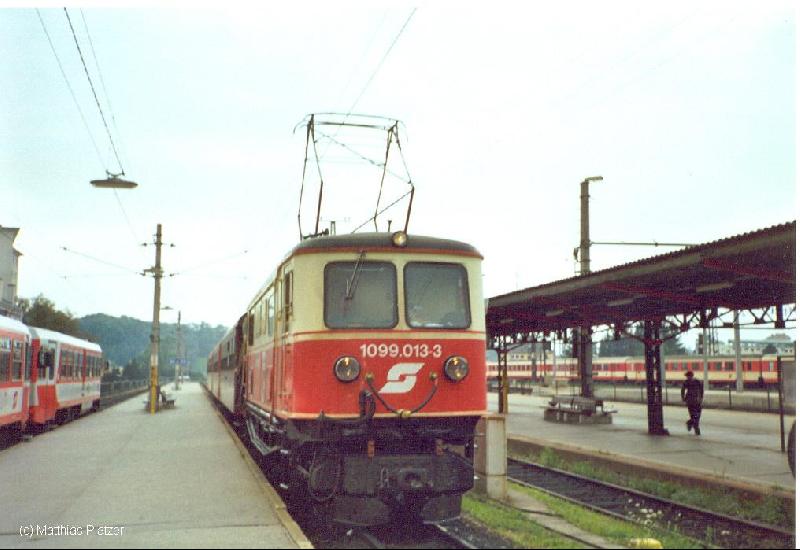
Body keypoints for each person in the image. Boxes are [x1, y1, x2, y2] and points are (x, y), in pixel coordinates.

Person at [681, 370, 704, 435]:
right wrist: (683, 398)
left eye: (688, 376)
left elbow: (701, 390)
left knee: (696, 415)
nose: (687, 377)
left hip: (695, 400)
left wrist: (701, 398)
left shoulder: (696, 381)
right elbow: (682, 390)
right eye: (687, 376)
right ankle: (696, 428)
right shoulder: (688, 382)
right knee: (695, 415)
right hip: (692, 401)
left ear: (691, 376)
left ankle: (690, 423)